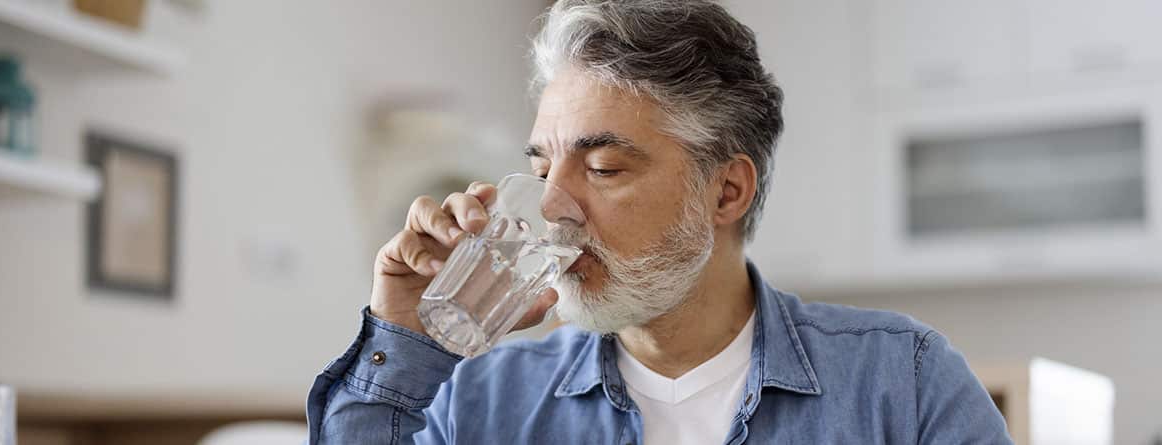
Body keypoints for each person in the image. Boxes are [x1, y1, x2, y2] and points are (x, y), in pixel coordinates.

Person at [307, 1, 1012, 443]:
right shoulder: (485, 400)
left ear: (727, 192)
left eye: (604, 168)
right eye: (544, 166)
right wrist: (402, 339)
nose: (551, 204)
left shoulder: (903, 383)